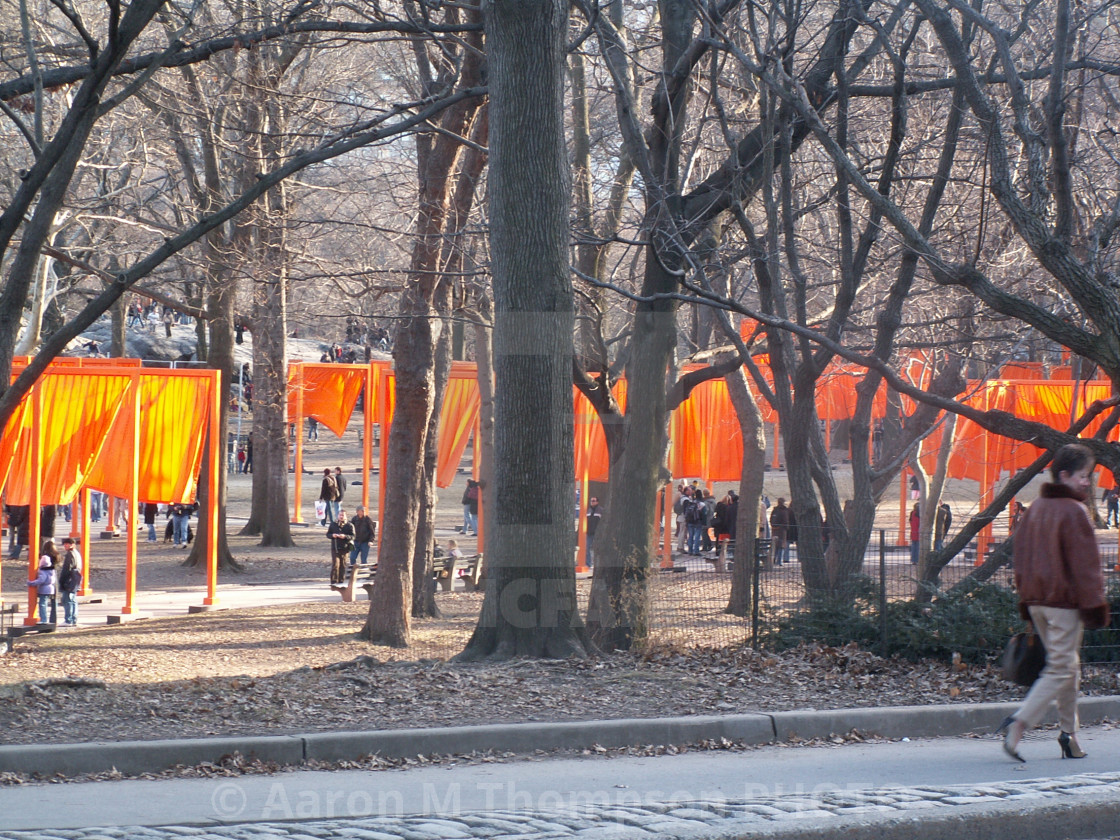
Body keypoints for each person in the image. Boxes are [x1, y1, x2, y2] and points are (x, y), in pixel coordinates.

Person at [998, 443, 1111, 763]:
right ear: (1064, 476)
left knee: (1068, 669)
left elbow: (1019, 557)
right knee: (1062, 668)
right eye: (1083, 476)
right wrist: (1095, 607)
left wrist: (1027, 598)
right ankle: (1019, 723)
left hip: (1037, 602)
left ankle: (1069, 736)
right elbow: (1086, 568)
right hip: (1064, 604)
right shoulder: (1074, 511)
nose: (1087, 482)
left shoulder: (1035, 509)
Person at [28, 541, 58, 624]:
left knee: (42, 604)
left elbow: (41, 580)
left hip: (44, 589)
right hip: (51, 587)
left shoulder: (43, 571)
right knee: (49, 603)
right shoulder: (51, 569)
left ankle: (43, 619)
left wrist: (31, 582)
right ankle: (51, 619)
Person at [58, 536, 83, 626]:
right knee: (73, 599)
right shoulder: (77, 553)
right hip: (76, 578)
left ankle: (68, 619)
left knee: (67, 599)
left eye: (66, 544)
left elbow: (67, 569)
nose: (65, 546)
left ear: (72, 545)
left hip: (70, 579)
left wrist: (62, 580)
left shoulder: (70, 554)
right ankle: (73, 618)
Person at [326, 509, 354, 584]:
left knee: (343, 565)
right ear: (338, 516)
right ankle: (334, 581)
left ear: (345, 516)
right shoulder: (333, 524)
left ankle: (341, 581)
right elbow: (328, 534)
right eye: (340, 515)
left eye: (343, 515)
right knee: (335, 564)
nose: (341, 516)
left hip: (345, 548)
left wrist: (345, 536)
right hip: (335, 548)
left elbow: (353, 536)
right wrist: (332, 535)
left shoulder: (349, 525)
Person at [770, 498, 792, 566]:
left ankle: (773, 560)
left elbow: (771, 519)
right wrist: (787, 528)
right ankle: (779, 561)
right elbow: (785, 521)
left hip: (774, 530)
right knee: (781, 546)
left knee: (775, 546)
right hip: (782, 531)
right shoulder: (784, 511)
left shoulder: (774, 510)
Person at [585, 496, 603, 567]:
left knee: (597, 549)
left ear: (597, 502)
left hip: (597, 533)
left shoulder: (601, 510)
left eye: (594, 501)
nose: (592, 502)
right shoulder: (588, 510)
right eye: (591, 500)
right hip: (589, 532)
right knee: (587, 548)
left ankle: (597, 564)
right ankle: (588, 563)